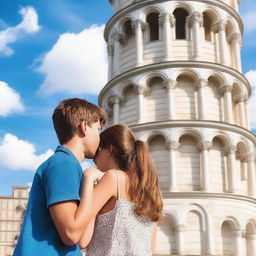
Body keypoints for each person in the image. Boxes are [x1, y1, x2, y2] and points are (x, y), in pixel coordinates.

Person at [14, 98, 107, 256]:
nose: (99, 138)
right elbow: (71, 234)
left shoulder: (65, 164)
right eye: (97, 129)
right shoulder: (64, 165)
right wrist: (89, 181)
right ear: (84, 127)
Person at [79, 124, 163, 255]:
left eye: (97, 152)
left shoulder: (113, 178)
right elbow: (150, 248)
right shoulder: (149, 192)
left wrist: (88, 180)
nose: (94, 160)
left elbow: (82, 240)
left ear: (108, 150)